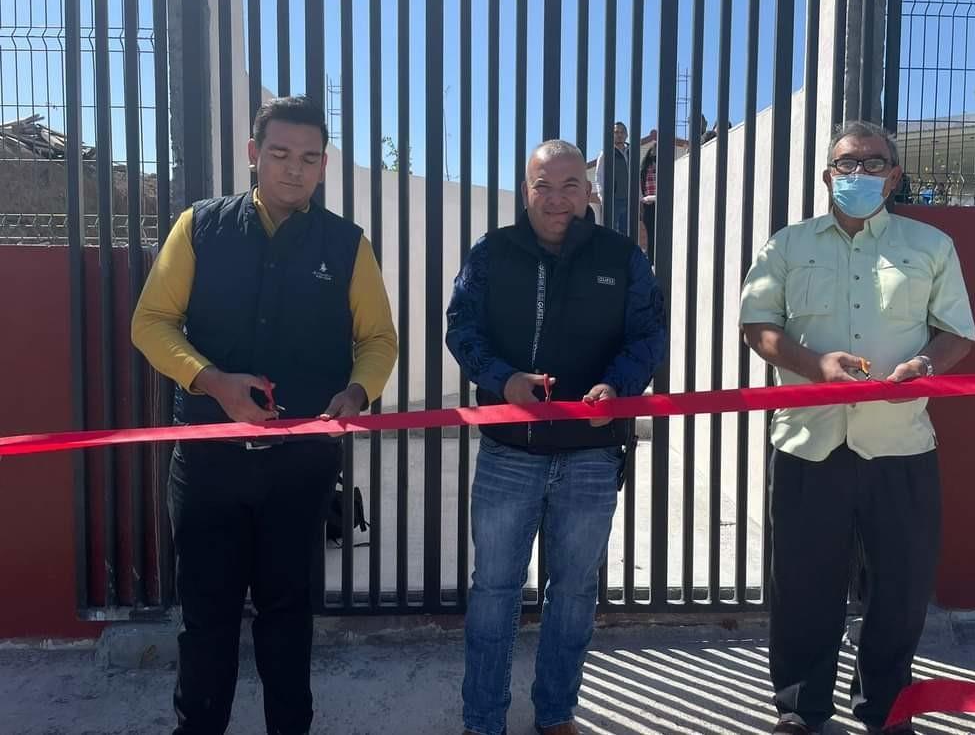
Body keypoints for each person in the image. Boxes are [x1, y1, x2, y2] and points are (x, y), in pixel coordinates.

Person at [131, 95, 398, 735]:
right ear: (254, 155)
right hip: (208, 466)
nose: (293, 170)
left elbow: (379, 340)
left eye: (309, 158)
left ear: (325, 165)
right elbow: (151, 323)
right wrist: (213, 382)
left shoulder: (347, 245)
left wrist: (358, 392)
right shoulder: (200, 228)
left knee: (287, 618)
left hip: (300, 472)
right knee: (206, 621)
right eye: (279, 154)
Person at [738, 120, 975, 735]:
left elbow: (957, 332)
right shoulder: (788, 246)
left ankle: (885, 706)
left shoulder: (930, 246)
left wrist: (924, 365)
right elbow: (758, 326)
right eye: (847, 163)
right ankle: (800, 708)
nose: (860, 173)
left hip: (900, 444)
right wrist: (814, 365)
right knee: (802, 588)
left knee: (899, 590)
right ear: (827, 176)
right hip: (808, 443)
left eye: (874, 163)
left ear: (894, 177)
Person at [447, 139, 667, 735]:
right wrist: (502, 379)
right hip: (508, 454)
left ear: (589, 190)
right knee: (494, 592)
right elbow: (461, 327)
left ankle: (555, 714)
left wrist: (615, 388)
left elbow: (648, 336)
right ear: (526, 190)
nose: (557, 198)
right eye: (543, 185)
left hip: (592, 457)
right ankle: (483, 720)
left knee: (572, 594)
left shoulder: (622, 259)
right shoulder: (493, 252)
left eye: (571, 185)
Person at [593, 121, 632, 236]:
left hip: (629, 200)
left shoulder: (632, 152)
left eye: (622, 132)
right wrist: (602, 196)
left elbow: (636, 175)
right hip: (613, 200)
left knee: (627, 232)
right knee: (611, 231)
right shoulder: (606, 153)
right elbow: (599, 175)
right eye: (616, 132)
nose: (619, 134)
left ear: (626, 135)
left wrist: (639, 197)